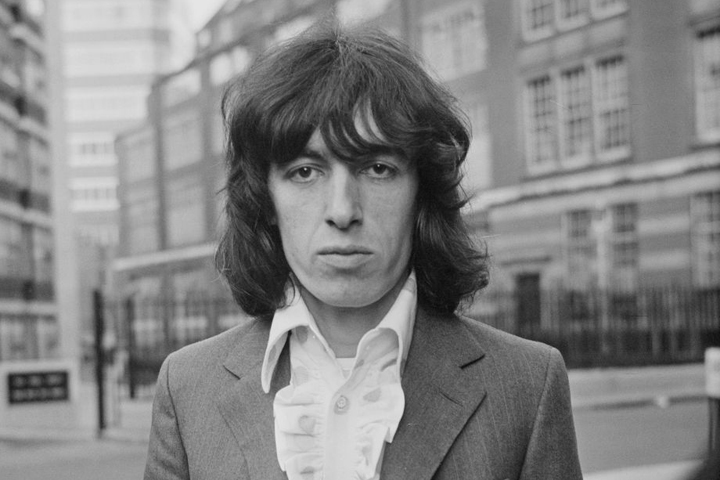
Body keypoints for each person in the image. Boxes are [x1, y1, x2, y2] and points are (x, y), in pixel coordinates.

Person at [144, 22, 583, 480]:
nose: (342, 211)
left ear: (421, 192)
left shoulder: (527, 385)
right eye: (305, 172)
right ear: (265, 199)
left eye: (377, 168)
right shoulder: (186, 388)